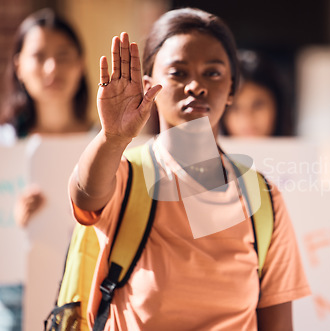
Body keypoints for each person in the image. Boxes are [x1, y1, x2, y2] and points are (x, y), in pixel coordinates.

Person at [69, 7, 310, 330]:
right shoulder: (126, 175)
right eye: (178, 73)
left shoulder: (263, 198)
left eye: (212, 73)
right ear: (147, 84)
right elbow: (85, 196)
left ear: (232, 89)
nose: (195, 85)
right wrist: (112, 138)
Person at [0, 8, 91, 331]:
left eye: (64, 55)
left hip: (92, 303)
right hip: (12, 309)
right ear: (19, 66)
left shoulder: (107, 146)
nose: (52, 67)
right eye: (39, 56)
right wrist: (13, 226)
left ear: (81, 63)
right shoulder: (3, 150)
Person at [221, 50, 294, 136]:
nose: (247, 117)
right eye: (235, 108)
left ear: (278, 106)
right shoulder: (206, 148)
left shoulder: (304, 148)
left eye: (258, 105)